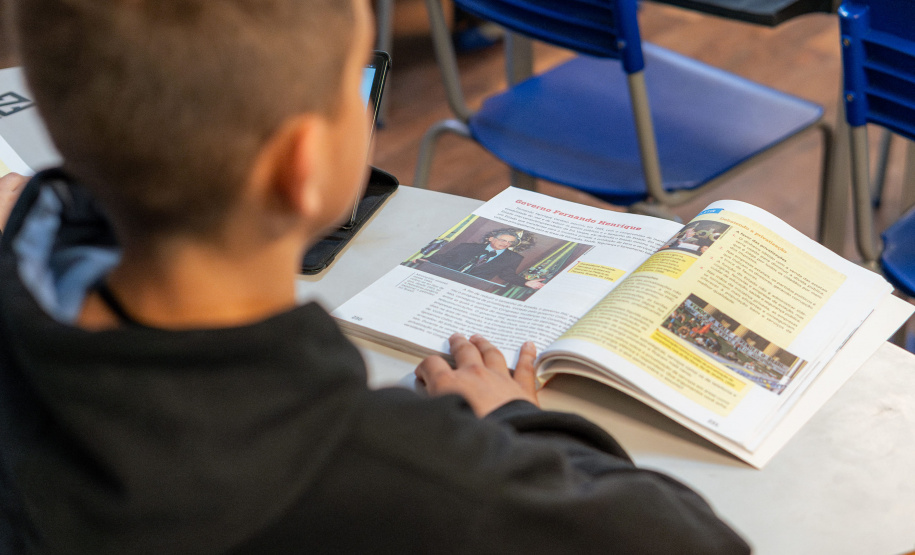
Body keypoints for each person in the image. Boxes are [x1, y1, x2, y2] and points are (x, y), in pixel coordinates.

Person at [0, 1, 749, 553]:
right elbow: (698, 541)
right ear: (302, 166)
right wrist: (519, 422)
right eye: (349, 91)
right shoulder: (413, 476)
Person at [429, 228, 545, 289]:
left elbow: (507, 275)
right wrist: (428, 260)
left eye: (510, 242)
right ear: (491, 239)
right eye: (503, 240)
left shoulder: (513, 258)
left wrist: (526, 282)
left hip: (469, 287)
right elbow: (443, 258)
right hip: (442, 279)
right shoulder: (466, 247)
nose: (506, 244)